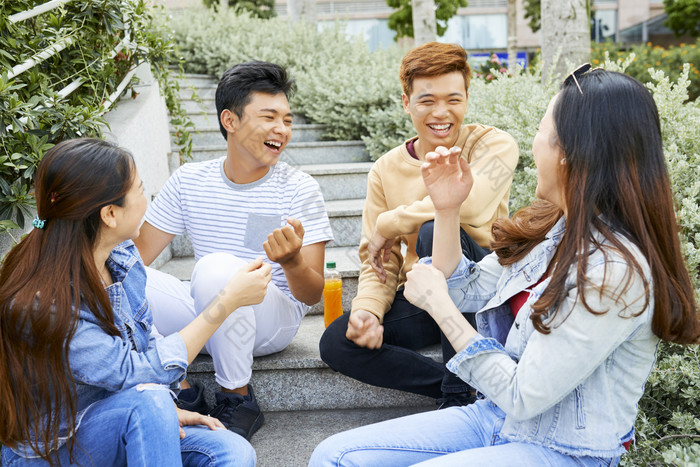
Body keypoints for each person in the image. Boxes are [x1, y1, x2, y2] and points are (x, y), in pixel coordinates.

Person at [310, 67, 700, 466]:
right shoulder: (556, 230)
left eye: (541, 131)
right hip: (496, 418)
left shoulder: (613, 272)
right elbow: (465, 286)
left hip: (562, 448)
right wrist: (447, 209)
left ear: (568, 153)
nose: (533, 144)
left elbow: (522, 394)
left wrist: (441, 309)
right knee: (334, 456)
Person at [0, 138, 269, 466]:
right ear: (110, 214)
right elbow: (134, 372)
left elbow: (143, 344)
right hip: (49, 448)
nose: (147, 199)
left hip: (118, 422)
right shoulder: (46, 303)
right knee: (150, 402)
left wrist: (167, 410)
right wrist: (225, 303)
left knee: (231, 451)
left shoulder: (122, 259)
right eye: (140, 190)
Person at [134, 61, 334, 440]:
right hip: (207, 311)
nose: (282, 130)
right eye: (269, 117)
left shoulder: (298, 188)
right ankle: (181, 390)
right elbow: (136, 256)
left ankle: (237, 397)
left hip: (270, 321)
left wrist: (291, 261)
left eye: (287, 120)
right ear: (230, 120)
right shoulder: (190, 181)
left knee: (216, 269)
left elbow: (310, 294)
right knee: (124, 274)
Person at [319, 42, 519, 407]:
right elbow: (379, 259)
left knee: (437, 230)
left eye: (453, 99)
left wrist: (390, 221)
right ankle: (461, 384)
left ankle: (458, 398)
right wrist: (368, 309)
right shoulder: (385, 169)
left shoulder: (494, 144)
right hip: (424, 295)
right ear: (406, 102)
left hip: (483, 292)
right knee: (336, 341)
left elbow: (468, 207)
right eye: (427, 100)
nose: (441, 112)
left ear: (467, 98)